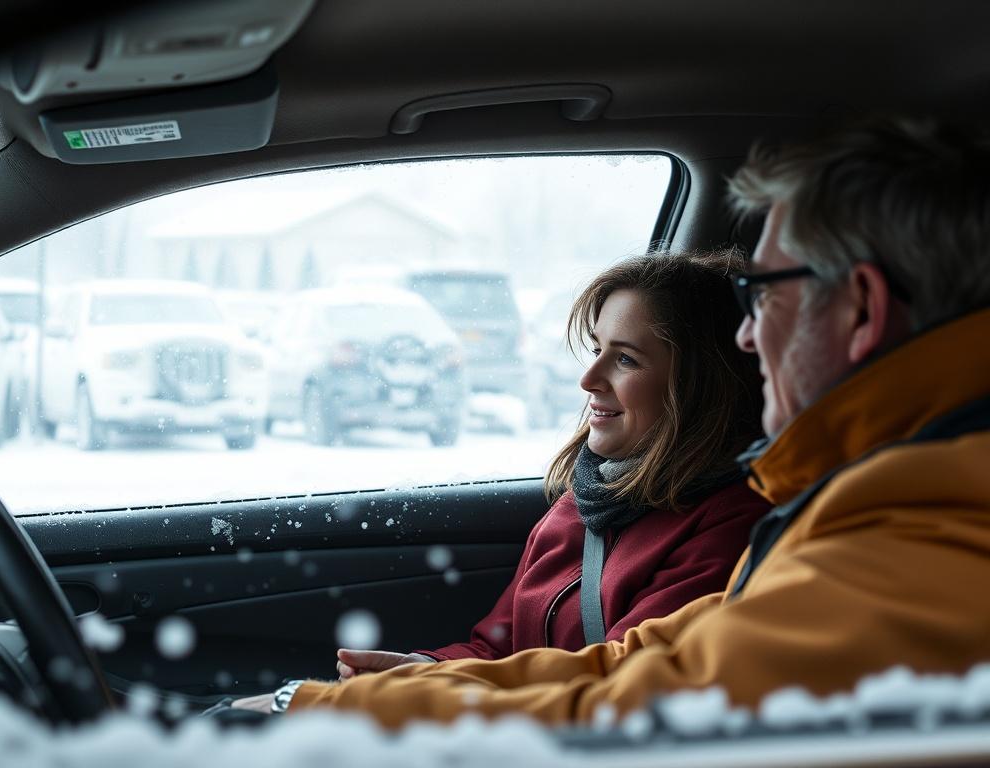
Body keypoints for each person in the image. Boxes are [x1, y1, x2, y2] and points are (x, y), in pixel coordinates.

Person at [249, 116, 990, 728]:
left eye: (763, 294)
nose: (745, 333)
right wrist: (379, 694)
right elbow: (630, 663)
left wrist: (321, 712)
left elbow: (634, 710)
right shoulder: (879, 501)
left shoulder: (929, 529)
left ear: (860, 307)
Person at [333, 251, 769, 683]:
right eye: (598, 349)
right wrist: (423, 670)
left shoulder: (732, 526)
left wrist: (433, 694)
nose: (588, 378)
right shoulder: (584, 501)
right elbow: (499, 650)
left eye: (626, 359)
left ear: (702, 386)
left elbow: (615, 687)